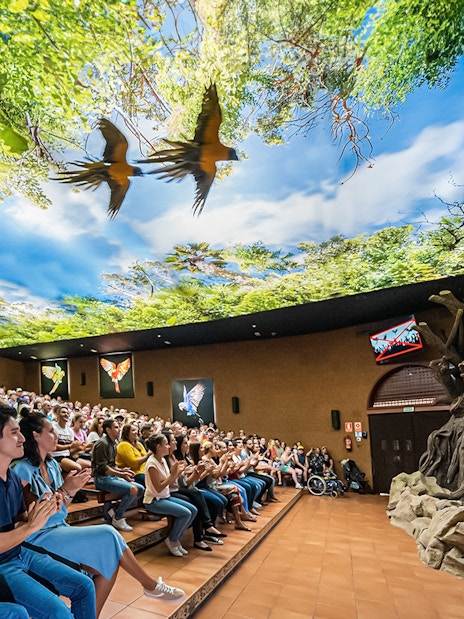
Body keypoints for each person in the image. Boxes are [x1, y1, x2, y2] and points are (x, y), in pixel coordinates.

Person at [13, 410, 185, 616]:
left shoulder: (51, 465)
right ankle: (149, 585)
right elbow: (25, 516)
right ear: (35, 435)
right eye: (51, 431)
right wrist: (65, 491)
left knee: (110, 562)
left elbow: (61, 508)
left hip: (59, 528)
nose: (56, 435)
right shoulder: (21, 469)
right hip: (38, 535)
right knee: (109, 533)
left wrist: (69, 492)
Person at [0, 403, 96, 619]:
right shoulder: (20, 471)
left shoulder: (12, 477)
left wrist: (40, 511)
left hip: (19, 551)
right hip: (3, 564)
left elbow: (16, 519)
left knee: (85, 586)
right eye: (14, 433)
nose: (23, 438)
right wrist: (32, 525)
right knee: (58, 613)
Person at [144, 433, 197, 557]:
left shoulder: (162, 459)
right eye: (166, 444)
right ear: (158, 447)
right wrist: (173, 474)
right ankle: (172, 539)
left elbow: (171, 481)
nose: (168, 446)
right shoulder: (152, 464)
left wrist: (179, 472)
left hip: (165, 497)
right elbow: (158, 487)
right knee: (186, 513)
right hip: (154, 500)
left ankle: (177, 539)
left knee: (193, 510)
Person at [91, 418, 145, 532]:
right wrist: (121, 474)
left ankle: (114, 512)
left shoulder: (114, 443)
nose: (119, 429)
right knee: (133, 489)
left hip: (110, 476)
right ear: (108, 429)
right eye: (116, 427)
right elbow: (102, 468)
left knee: (140, 489)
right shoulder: (102, 444)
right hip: (101, 478)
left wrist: (122, 470)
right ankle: (118, 517)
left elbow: (112, 465)